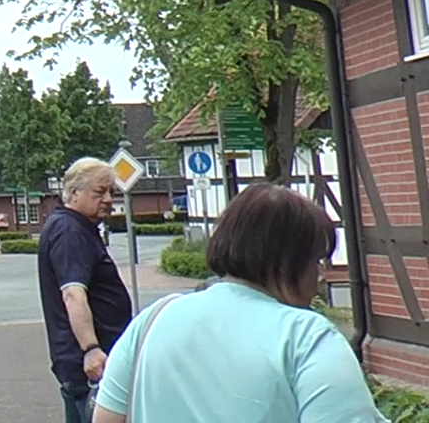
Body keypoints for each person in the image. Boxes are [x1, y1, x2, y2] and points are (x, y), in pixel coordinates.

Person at [92, 184, 383, 422]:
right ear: (286, 263)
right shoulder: (306, 336)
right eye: (316, 261)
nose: (319, 277)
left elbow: (106, 418)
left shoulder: (153, 320)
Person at [39, 157, 133, 423]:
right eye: (99, 192)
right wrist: (91, 348)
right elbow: (73, 294)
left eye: (111, 192)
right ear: (74, 193)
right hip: (89, 367)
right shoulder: (70, 232)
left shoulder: (76, 228)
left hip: (88, 363)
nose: (107, 199)